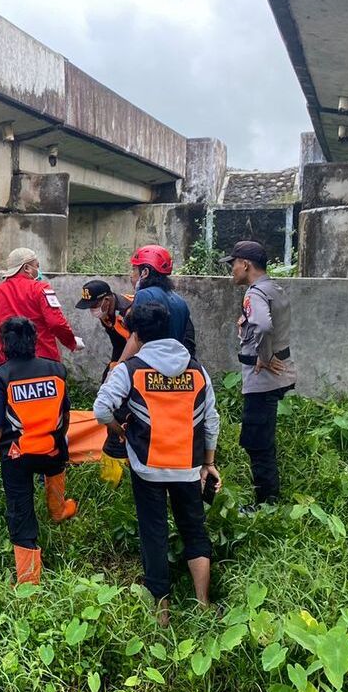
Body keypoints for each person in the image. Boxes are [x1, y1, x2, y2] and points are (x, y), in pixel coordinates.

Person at [93, 302, 221, 626]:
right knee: (194, 529)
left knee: (154, 533)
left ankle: (161, 612)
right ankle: (203, 602)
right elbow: (211, 420)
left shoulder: (130, 370)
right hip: (188, 467)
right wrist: (208, 463)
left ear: (136, 336)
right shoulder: (197, 370)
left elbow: (101, 408)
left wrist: (119, 430)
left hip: (147, 467)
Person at [0, 317, 77, 585]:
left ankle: (29, 582)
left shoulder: (1, 376)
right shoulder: (56, 370)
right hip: (53, 452)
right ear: (34, 341)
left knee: (20, 512)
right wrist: (58, 441)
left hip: (17, 456)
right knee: (55, 470)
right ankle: (58, 511)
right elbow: (66, 413)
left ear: (4, 344)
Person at [221, 240, 296, 509]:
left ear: (245, 264)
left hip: (262, 380)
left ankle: (266, 503)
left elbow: (263, 326)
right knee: (262, 438)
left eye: (233, 264)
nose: (231, 270)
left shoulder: (254, 294)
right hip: (276, 376)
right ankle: (267, 498)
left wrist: (264, 357)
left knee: (257, 441)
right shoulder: (274, 288)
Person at [0, 247, 79, 379]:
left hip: (9, 369)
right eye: (37, 266)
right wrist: (71, 342)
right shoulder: (41, 289)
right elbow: (56, 323)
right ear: (27, 268)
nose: (38, 270)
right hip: (44, 364)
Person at [74, 280, 135, 480]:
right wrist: (113, 367)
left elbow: (139, 343)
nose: (92, 310)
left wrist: (121, 369)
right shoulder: (106, 315)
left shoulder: (128, 312)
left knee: (125, 400)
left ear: (107, 300)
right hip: (126, 355)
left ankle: (123, 435)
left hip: (144, 356)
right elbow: (118, 344)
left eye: (94, 305)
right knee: (106, 384)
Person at [116, 245, 195, 362]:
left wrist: (118, 366)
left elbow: (136, 338)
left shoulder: (144, 295)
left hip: (151, 363)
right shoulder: (180, 301)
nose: (131, 275)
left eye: (134, 269)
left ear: (145, 272)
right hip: (175, 363)